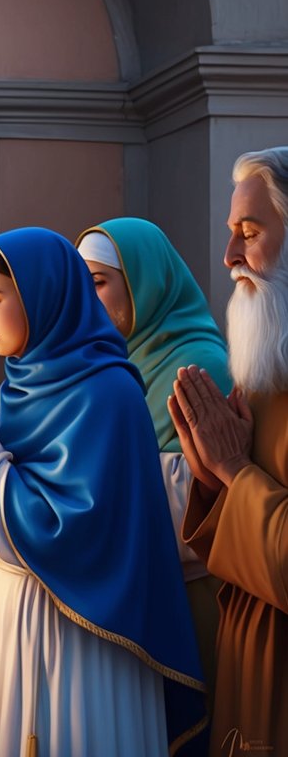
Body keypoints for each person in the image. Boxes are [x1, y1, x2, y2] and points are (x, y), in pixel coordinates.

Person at [0, 227, 205, 755]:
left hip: (85, 635)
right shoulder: (18, 385)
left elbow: (69, 529)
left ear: (43, 293)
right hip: (12, 614)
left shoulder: (110, 393)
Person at [75, 219, 228, 706]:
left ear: (145, 282)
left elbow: (212, 496)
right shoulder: (99, 364)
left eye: (98, 282)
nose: (86, 298)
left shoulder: (201, 365)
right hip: (121, 593)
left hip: (185, 595)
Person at [173, 146, 288, 751]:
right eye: (230, 233)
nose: (230, 256)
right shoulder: (263, 373)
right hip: (246, 655)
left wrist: (234, 472)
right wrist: (214, 480)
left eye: (250, 233)